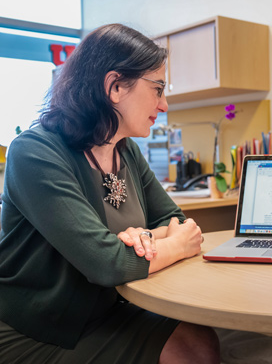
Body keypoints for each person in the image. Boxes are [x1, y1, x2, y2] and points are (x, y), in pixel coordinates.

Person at [0, 24, 220, 363]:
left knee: (200, 341)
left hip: (109, 307)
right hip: (43, 327)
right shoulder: (34, 153)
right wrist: (172, 243)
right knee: (190, 353)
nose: (163, 105)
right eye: (157, 89)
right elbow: (107, 264)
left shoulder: (126, 150)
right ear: (115, 87)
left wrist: (144, 235)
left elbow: (174, 219)